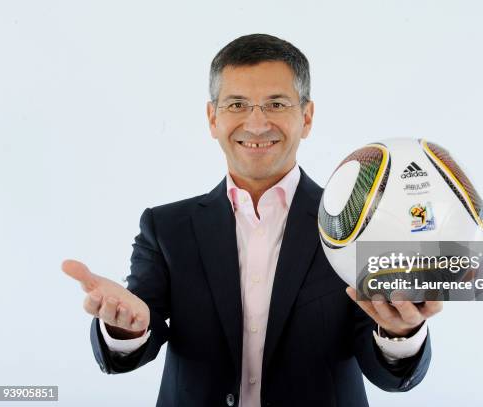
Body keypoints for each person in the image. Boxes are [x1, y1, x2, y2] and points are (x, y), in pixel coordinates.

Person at [62, 33, 442, 407]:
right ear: (212, 118)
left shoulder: (358, 225)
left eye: (276, 104)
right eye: (237, 104)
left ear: (306, 117)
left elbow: (389, 375)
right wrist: (123, 328)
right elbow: (141, 324)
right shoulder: (166, 229)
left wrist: (400, 333)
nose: (257, 124)